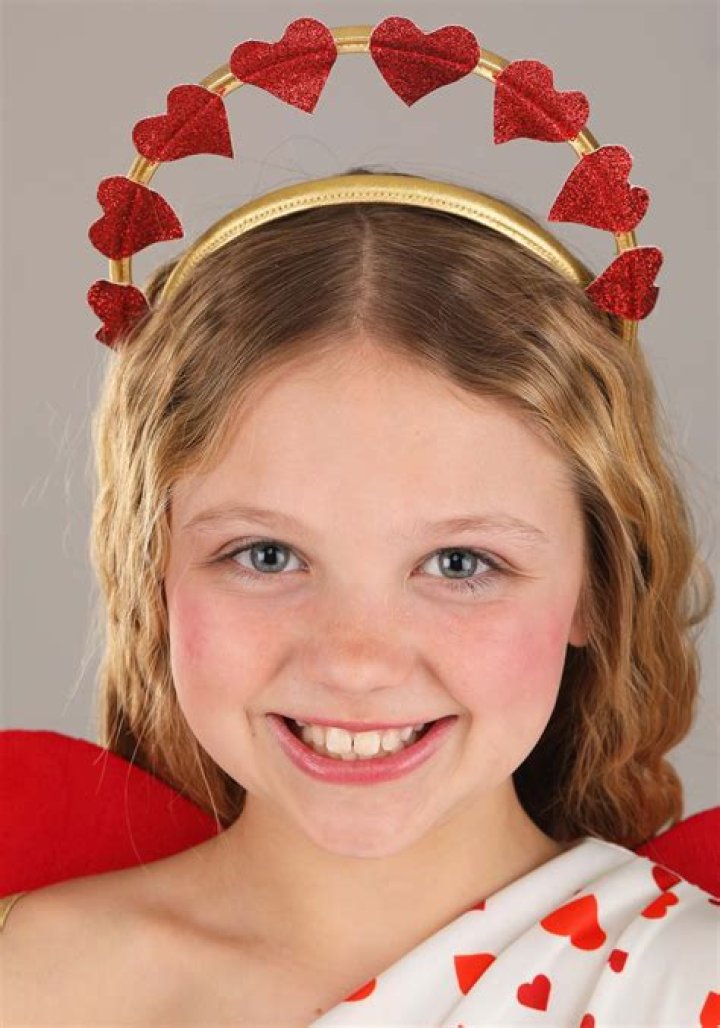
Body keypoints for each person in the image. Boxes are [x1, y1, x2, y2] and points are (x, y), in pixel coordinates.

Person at [1, 15, 717, 1028]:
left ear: (597, 586)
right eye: (266, 554)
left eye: (460, 562)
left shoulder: (682, 986)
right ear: (151, 570)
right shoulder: (23, 972)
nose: (357, 660)